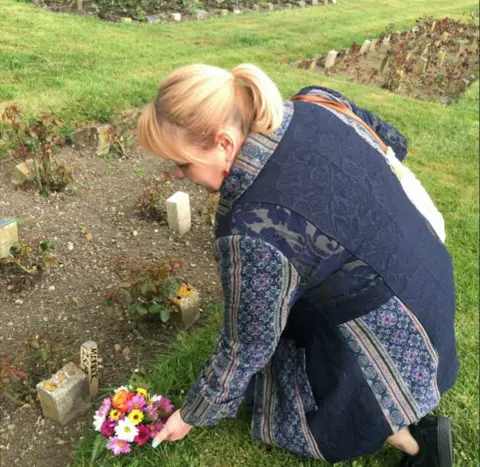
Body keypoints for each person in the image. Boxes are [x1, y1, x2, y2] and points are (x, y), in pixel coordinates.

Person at [137, 63, 458, 466]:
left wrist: (190, 414)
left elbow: (247, 344)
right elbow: (394, 143)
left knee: (338, 397)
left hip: (399, 328)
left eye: (182, 163)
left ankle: (420, 446)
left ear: (222, 143)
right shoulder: (314, 102)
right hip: (427, 270)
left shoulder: (252, 225)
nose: (179, 175)